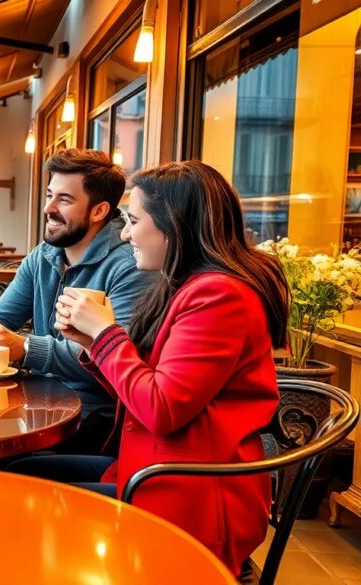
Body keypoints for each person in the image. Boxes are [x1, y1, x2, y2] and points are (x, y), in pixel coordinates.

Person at [16, 160, 288, 575]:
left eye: (134, 220)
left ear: (173, 225)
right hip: (151, 470)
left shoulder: (219, 297)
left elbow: (162, 408)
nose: (125, 234)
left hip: (188, 498)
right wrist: (90, 343)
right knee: (19, 475)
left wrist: (106, 334)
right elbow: (142, 390)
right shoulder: (186, 286)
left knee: (20, 501)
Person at [0, 148, 153, 453]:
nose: (48, 208)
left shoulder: (130, 267)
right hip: (35, 404)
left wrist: (25, 347)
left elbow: (112, 358)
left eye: (64, 200)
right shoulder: (44, 255)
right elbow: (0, 317)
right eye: (48, 195)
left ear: (98, 211)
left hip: (94, 416)